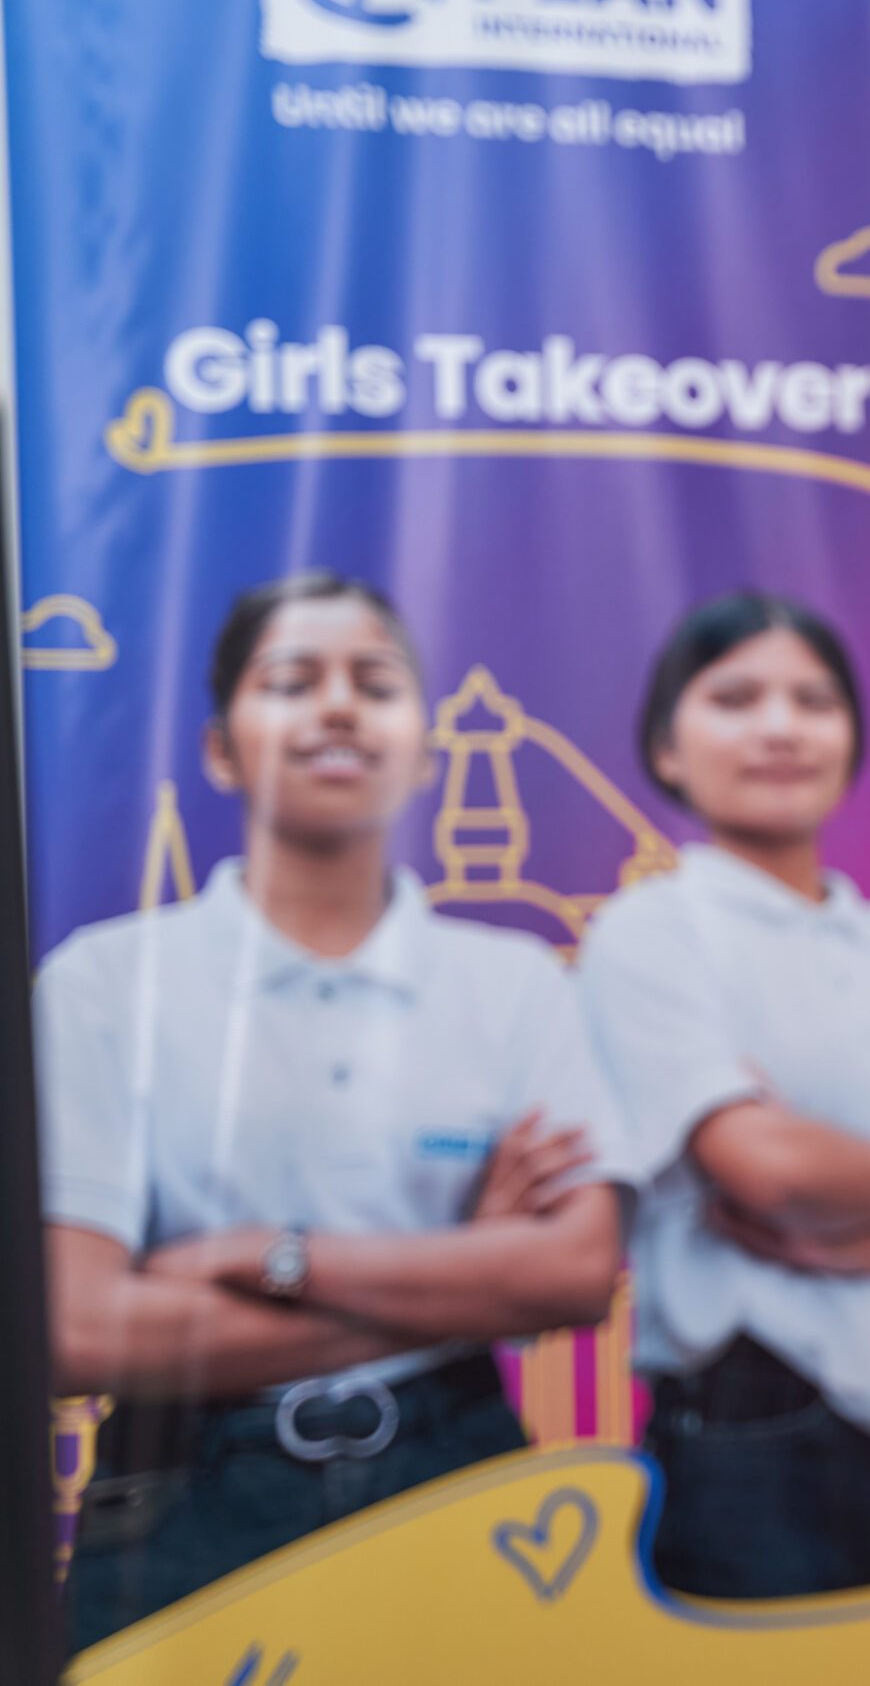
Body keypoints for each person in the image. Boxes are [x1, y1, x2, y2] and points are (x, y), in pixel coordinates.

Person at [39, 570, 632, 1650]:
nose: (338, 707)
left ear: (424, 749)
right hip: (189, 1494)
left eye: (375, 681)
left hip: (457, 1475)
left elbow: (577, 1273)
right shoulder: (103, 983)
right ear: (222, 747)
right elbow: (81, 1331)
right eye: (291, 680)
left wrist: (270, 1254)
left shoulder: (518, 984)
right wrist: (469, 1271)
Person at [577, 591, 870, 1599]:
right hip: (756, 1442)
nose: (777, 725)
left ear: (850, 742)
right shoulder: (649, 934)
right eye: (734, 698)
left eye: (812, 700)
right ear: (668, 749)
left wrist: (836, 1221)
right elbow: (760, 1169)